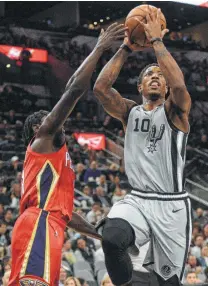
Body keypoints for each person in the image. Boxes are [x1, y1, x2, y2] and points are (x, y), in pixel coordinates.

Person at [8, 23, 127, 286]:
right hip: (38, 223)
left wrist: (100, 236)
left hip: (49, 223)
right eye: (49, 119)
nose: (58, 122)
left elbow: (66, 214)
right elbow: (74, 89)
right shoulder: (44, 139)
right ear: (39, 127)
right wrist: (99, 47)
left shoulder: (55, 159)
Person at [94, 9, 192, 286]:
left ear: (165, 87)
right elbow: (101, 88)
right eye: (149, 74)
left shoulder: (176, 113)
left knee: (168, 282)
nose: (155, 77)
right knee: (111, 238)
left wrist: (157, 42)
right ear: (139, 87)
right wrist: (126, 47)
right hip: (137, 199)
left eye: (160, 76)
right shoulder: (129, 113)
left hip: (171, 207)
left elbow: (181, 87)